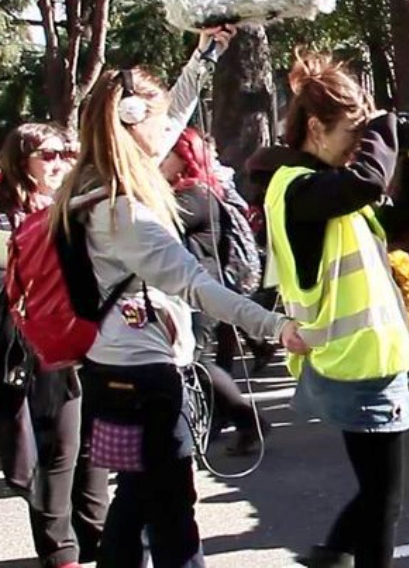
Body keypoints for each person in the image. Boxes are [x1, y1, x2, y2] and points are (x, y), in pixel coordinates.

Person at [60, 29, 303, 568]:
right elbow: (196, 285)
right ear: (128, 119)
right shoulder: (124, 211)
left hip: (109, 371)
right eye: (156, 115)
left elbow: (170, 119)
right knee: (173, 509)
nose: (170, 127)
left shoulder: (89, 184)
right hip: (146, 380)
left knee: (136, 496)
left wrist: (205, 55)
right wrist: (275, 327)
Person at [248, 51, 409, 568]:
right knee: (383, 499)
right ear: (315, 127)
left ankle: (329, 556)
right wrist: (386, 124)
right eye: (353, 133)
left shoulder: (320, 186)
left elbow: (398, 222)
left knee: (377, 491)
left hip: (354, 359)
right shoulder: (300, 188)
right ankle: (332, 556)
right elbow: (369, 182)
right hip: (356, 363)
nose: (360, 146)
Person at [0, 124, 108, 568]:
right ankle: (60, 551)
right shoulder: (7, 217)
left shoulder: (76, 207)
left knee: (95, 447)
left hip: (91, 342)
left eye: (67, 153)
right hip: (33, 350)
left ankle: (98, 541)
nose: (59, 163)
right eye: (48, 155)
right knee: (55, 450)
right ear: (19, 161)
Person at [161, 127, 268, 458]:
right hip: (202, 289)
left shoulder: (194, 196)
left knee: (197, 360)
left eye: (166, 155)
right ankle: (236, 423)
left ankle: (246, 421)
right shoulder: (197, 192)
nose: (158, 161)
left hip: (203, 291)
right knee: (204, 360)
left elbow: (158, 222)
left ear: (185, 157)